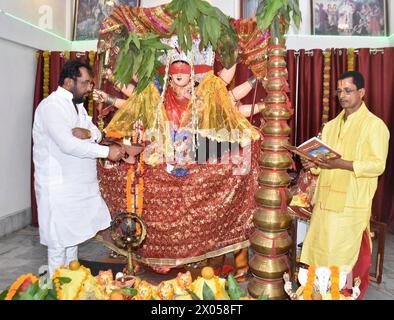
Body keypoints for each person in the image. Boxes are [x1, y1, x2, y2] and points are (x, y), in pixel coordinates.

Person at [299, 71, 389, 299]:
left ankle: (340, 294)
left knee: (341, 256)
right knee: (319, 251)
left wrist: (341, 164)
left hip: (350, 203)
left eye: (347, 90)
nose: (342, 95)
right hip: (325, 201)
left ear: (362, 92)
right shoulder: (330, 126)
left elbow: (377, 165)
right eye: (339, 91)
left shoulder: (375, 126)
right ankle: (317, 293)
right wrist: (312, 163)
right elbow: (323, 165)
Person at [32, 60, 125, 277]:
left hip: (78, 185)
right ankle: (57, 285)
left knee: (72, 240)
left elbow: (96, 133)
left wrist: (89, 134)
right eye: (84, 83)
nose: (88, 88)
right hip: (58, 186)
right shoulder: (51, 107)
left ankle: (73, 281)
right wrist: (106, 152)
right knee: (58, 243)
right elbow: (68, 144)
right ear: (68, 81)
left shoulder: (78, 107)